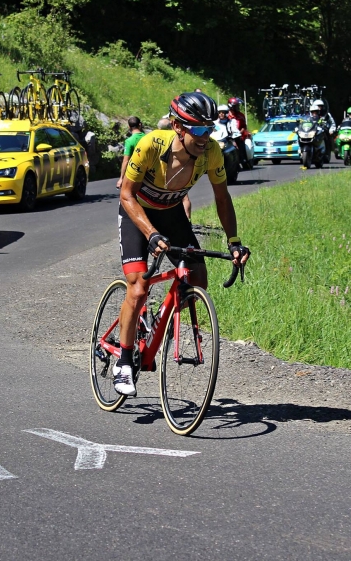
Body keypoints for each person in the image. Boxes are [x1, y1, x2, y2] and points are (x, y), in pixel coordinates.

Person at [113, 92, 250, 396]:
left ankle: (159, 323)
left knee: (198, 279)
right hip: (137, 213)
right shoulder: (150, 145)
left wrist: (234, 242)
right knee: (138, 288)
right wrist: (151, 233)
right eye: (197, 129)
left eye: (209, 128)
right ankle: (123, 360)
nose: (205, 136)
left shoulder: (211, 152)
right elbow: (126, 194)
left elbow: (222, 198)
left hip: (171, 213)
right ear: (177, 126)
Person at [116, 116, 145, 190]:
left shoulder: (129, 141)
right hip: (148, 172)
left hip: (135, 173)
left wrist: (121, 178)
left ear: (129, 127)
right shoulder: (147, 137)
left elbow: (126, 161)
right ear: (140, 124)